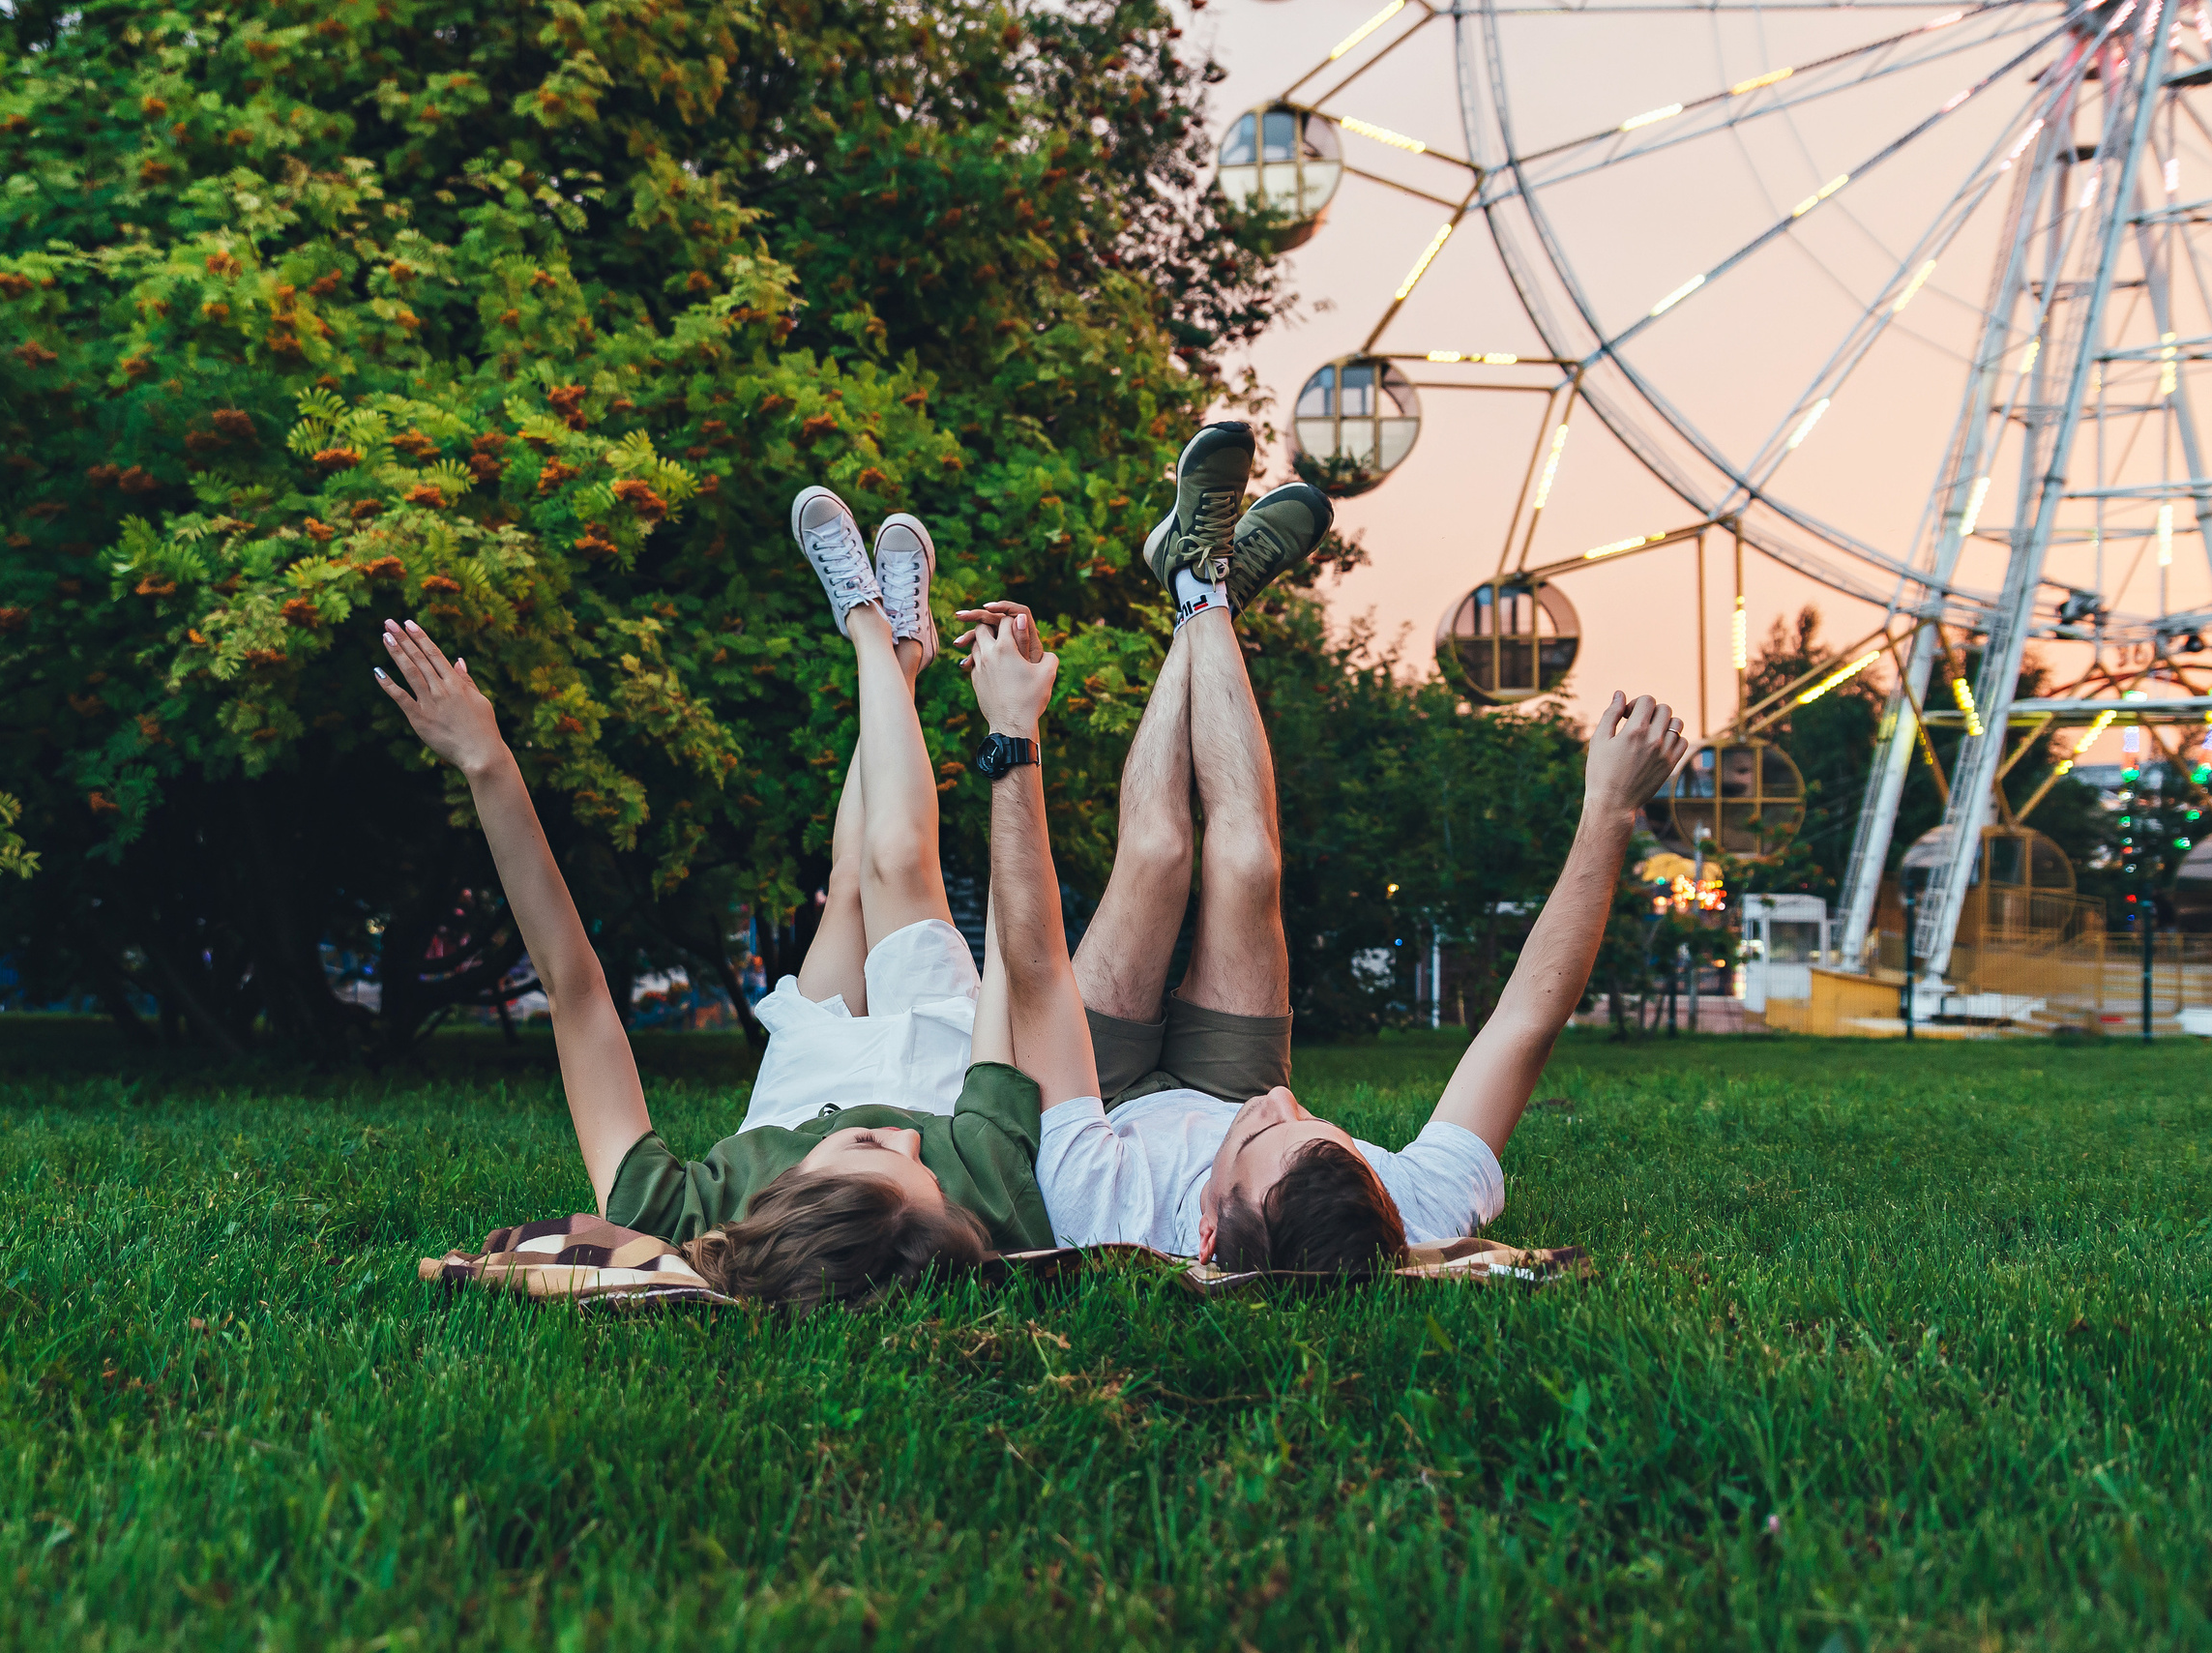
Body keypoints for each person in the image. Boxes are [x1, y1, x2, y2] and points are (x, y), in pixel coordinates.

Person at [976, 421, 1690, 1271]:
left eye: (1262, 1137)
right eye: (1318, 1121)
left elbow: (1037, 969)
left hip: (1104, 1088)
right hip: (1222, 1073)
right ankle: (1203, 587)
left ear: (1206, 1232)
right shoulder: (1407, 1201)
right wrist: (1609, 809)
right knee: (1248, 861)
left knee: (1159, 852)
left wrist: (1013, 738)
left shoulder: (1104, 1204)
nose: (1286, 1095)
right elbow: (1525, 1020)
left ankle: (1199, 581)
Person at [370, 487, 1092, 1308]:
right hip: (941, 1060)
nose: (908, 1135)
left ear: (786, 1195)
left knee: (849, 876)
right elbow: (1012, 961)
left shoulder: (676, 1210)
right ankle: (873, 631)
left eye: (874, 1143)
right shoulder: (980, 1186)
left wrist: (487, 762)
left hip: (801, 1082)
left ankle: (898, 652)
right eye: (920, 1165)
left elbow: (575, 991)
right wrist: (1014, 740)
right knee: (895, 860)